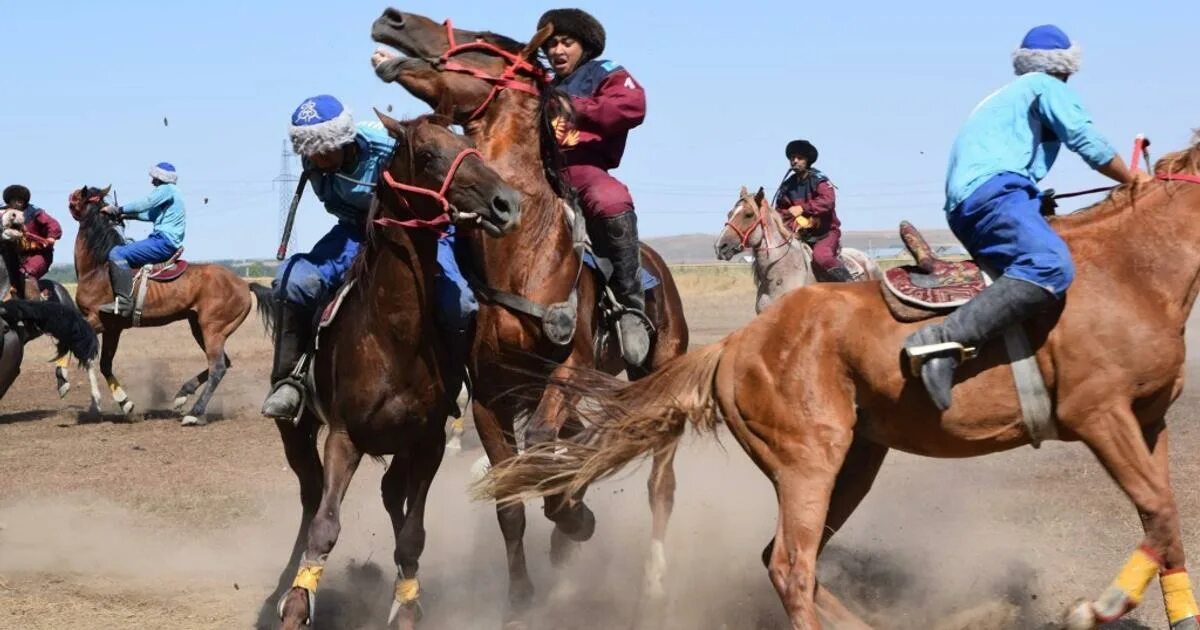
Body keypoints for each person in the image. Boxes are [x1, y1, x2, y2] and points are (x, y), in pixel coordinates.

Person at [903, 24, 1153, 410]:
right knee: (1050, 264)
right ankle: (941, 343)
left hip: (974, 201)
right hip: (995, 193)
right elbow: (1087, 140)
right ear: (1066, 67)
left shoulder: (1004, 97)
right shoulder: (1047, 87)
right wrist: (1133, 177)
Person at [261, 94, 477, 421]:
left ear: (343, 139)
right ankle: (289, 380)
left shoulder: (387, 145)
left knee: (459, 303)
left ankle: (454, 377)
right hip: (356, 229)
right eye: (309, 152)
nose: (316, 158)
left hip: (418, 229)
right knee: (289, 283)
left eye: (322, 149)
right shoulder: (313, 160)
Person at [538, 8, 652, 366]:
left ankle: (631, 308)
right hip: (539, 172)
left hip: (584, 167)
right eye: (551, 44)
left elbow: (632, 106)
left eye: (566, 43)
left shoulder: (606, 72)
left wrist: (573, 105)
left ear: (584, 45)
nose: (557, 50)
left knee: (611, 197)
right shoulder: (538, 80)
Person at [98, 163, 186, 317]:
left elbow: (145, 203)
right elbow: (149, 215)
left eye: (154, 178)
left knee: (117, 254)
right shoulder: (173, 193)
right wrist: (125, 215)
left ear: (160, 178)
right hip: (164, 240)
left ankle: (125, 302)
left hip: (163, 241)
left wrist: (118, 209)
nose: (152, 182)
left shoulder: (166, 190)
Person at [772, 140, 852, 281]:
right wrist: (788, 216)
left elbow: (828, 201)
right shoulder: (786, 186)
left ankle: (849, 284)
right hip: (799, 235)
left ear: (807, 160)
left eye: (799, 158)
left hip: (825, 234)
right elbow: (779, 211)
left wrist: (803, 208)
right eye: (792, 158)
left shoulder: (819, 180)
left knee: (821, 257)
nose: (795, 161)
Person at [1, 185, 62, 300]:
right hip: (12, 255)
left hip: (37, 255)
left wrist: (52, 238)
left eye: (21, 200)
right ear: (9, 201)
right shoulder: (2, 212)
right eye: (15, 200)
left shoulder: (35, 212)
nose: (19, 203)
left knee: (26, 274)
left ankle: (35, 310)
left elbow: (53, 225)